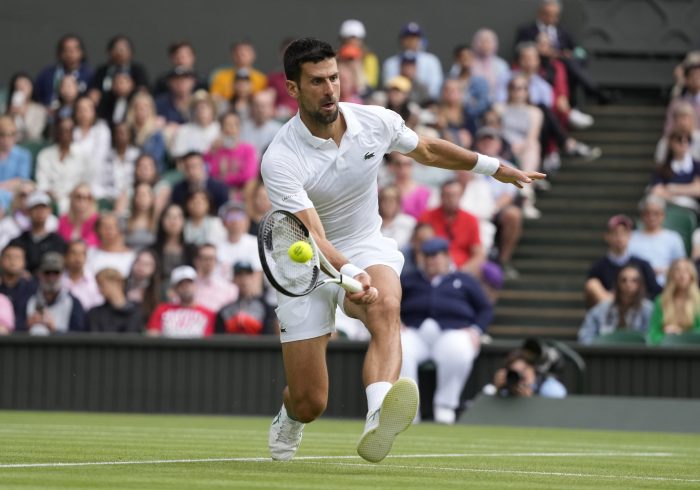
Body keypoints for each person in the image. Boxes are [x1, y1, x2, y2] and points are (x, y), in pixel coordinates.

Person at [260, 38, 543, 463]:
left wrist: (492, 166)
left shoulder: (375, 121)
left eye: (334, 77)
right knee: (310, 401)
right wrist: (351, 273)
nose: (330, 89)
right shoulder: (280, 157)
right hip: (306, 260)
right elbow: (313, 234)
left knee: (387, 306)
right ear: (294, 89)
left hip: (364, 240)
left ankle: (378, 415)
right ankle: (290, 417)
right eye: (317, 81)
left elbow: (427, 149)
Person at [399, 237, 493, 424]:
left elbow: (485, 308)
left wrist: (476, 330)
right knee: (397, 345)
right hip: (415, 333)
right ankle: (407, 410)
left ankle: (445, 406)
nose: (430, 260)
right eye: (426, 255)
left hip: (453, 332)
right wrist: (396, 322)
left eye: (435, 255)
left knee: (460, 348)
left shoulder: (464, 280)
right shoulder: (409, 280)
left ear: (446, 256)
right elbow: (392, 302)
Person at [585, 214, 661, 305]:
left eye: (624, 233)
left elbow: (655, 292)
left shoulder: (643, 265)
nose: (619, 237)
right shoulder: (598, 267)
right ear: (607, 236)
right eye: (615, 233)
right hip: (609, 313)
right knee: (592, 284)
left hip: (638, 312)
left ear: (630, 236)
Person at [419, 180, 486, 277]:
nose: (451, 199)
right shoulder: (427, 217)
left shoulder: (471, 219)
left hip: (462, 271)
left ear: (461, 196)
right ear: (441, 196)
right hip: (433, 268)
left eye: (455, 195)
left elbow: (478, 254)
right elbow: (419, 249)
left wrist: (463, 272)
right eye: (448, 195)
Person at [579, 264, 653, 344]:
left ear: (640, 285)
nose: (628, 284)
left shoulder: (649, 310)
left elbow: (653, 340)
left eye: (634, 281)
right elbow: (584, 337)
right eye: (623, 280)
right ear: (617, 283)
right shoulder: (600, 310)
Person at [35, 117, 92, 213]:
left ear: (73, 133)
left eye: (69, 130)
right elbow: (42, 182)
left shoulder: (82, 156)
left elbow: (85, 182)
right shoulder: (45, 155)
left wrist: (74, 195)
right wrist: (50, 194)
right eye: (62, 130)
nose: (65, 134)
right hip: (49, 200)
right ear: (57, 132)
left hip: (74, 200)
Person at [628, 195, 686, 285]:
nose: (651, 217)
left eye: (656, 213)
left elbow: (681, 265)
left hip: (667, 284)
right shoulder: (630, 237)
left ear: (663, 215)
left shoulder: (674, 238)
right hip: (638, 285)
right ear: (642, 216)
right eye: (647, 213)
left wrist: (665, 271)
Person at [146, 265, 215, 338]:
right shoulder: (161, 310)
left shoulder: (209, 314)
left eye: (189, 282)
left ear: (196, 285)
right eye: (181, 284)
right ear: (175, 289)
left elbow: (210, 340)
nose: (186, 287)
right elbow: (152, 335)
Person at [26, 252, 86, 335]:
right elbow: (14, 329)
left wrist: (55, 330)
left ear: (62, 274)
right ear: (40, 274)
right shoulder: (28, 299)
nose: (51, 278)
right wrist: (27, 325)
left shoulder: (73, 302)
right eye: (47, 273)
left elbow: (79, 335)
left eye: (55, 273)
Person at [204, 112, 259, 201]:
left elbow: (249, 175)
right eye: (227, 125)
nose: (230, 130)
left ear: (239, 128)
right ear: (221, 129)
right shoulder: (215, 150)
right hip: (220, 193)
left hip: (243, 193)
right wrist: (211, 152)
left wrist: (224, 178)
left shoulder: (248, 149)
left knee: (251, 183)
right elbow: (210, 174)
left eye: (234, 125)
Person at [9, 190, 67, 274]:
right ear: (28, 212)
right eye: (36, 208)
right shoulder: (18, 241)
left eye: (43, 208)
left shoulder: (57, 241)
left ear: (49, 210)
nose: (40, 211)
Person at [382, 23, 443, 99]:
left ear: (421, 40)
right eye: (408, 37)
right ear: (401, 40)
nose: (411, 40)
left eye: (415, 37)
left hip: (425, 102)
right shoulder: (390, 63)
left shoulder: (431, 60)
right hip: (397, 102)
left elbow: (435, 89)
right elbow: (388, 87)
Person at [216, 260, 276, 335]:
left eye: (247, 274)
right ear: (234, 279)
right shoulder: (224, 311)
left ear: (252, 278)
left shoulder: (266, 309)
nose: (243, 279)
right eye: (239, 275)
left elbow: (269, 337)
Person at [648, 258, 700, 345]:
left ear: (692, 276)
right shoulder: (660, 301)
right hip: (666, 351)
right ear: (671, 275)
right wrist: (667, 337)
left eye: (686, 270)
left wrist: (681, 333)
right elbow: (653, 333)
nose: (682, 275)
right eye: (678, 270)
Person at [34, 34, 92, 108]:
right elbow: (36, 97)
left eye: (75, 49)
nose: (71, 53)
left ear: (81, 52)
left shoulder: (90, 76)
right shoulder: (47, 74)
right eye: (66, 50)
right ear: (60, 53)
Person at [88, 35, 148, 104]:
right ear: (109, 52)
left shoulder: (137, 70)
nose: (120, 52)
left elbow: (143, 89)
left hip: (130, 104)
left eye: (123, 49)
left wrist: (130, 90)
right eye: (116, 49)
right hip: (105, 105)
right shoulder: (102, 71)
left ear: (131, 52)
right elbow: (95, 89)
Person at [650, 129, 700, 211]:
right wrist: (688, 190)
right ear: (671, 143)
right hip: (667, 206)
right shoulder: (662, 168)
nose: (684, 144)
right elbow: (656, 190)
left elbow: (698, 190)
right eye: (679, 140)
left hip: (692, 208)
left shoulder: (696, 166)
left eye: (687, 140)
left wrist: (672, 188)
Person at [216, 200, 262, 281]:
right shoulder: (216, 246)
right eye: (230, 217)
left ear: (246, 221)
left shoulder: (255, 243)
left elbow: (257, 275)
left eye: (239, 216)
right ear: (223, 222)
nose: (235, 221)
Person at [87, 267, 143, 333]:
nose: (99, 290)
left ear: (116, 283)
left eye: (102, 285)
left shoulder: (136, 310)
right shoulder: (95, 313)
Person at [170, 90, 221, 158]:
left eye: (205, 107)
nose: (202, 111)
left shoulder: (220, 129)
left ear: (213, 110)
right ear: (192, 111)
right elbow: (178, 155)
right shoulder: (184, 130)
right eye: (198, 108)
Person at [86, 212, 136, 278]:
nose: (109, 229)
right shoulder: (89, 252)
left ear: (120, 229)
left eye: (114, 226)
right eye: (104, 226)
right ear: (97, 229)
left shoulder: (131, 256)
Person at [0, 244, 37, 332]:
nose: (12, 261)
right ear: (1, 261)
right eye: (8, 257)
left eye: (17, 257)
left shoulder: (32, 288)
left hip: (25, 338)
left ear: (24, 262)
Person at [193, 243, 238, 312]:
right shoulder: (189, 285)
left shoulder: (229, 288)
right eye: (205, 258)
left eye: (212, 258)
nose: (208, 262)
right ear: (196, 261)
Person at [0, 115, 32, 212]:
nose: (6, 139)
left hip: (14, 194)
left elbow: (22, 179)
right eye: (2, 135)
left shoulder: (23, 155)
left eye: (10, 134)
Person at [5, 72, 48, 142]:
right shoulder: (7, 109)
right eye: (18, 86)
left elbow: (33, 135)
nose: (22, 89)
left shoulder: (39, 110)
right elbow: (5, 133)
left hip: (33, 146)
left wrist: (23, 115)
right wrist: (10, 116)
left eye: (25, 85)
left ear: (31, 87)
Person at [471, 28, 511, 103]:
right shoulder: (467, 63)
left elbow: (505, 88)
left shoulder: (502, 65)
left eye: (488, 42)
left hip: (497, 103)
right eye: (482, 41)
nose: (485, 45)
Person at [62, 239, 103, 311]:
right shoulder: (58, 280)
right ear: (66, 257)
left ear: (86, 257)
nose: (78, 257)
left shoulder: (94, 282)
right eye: (73, 253)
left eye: (82, 253)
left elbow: (98, 307)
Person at [239, 90, 283, 156]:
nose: (260, 109)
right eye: (257, 106)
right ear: (252, 108)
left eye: (263, 106)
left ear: (271, 108)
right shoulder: (243, 127)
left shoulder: (279, 130)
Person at [125, 248, 161, 321]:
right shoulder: (122, 286)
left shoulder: (158, 292)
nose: (141, 267)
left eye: (146, 264)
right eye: (138, 262)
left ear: (154, 269)